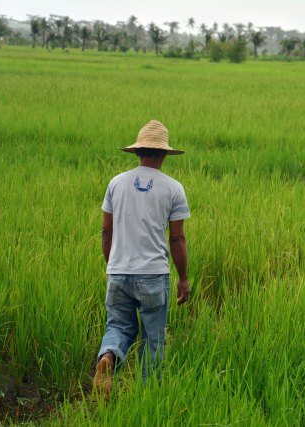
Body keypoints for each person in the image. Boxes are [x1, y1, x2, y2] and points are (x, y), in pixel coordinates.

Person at [93, 120, 191, 399]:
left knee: (118, 326)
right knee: (153, 339)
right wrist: (183, 279)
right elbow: (177, 239)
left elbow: (106, 230)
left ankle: (108, 358)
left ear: (138, 152)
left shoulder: (116, 183)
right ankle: (148, 398)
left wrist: (112, 266)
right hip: (153, 276)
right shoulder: (173, 188)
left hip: (119, 271)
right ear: (163, 154)